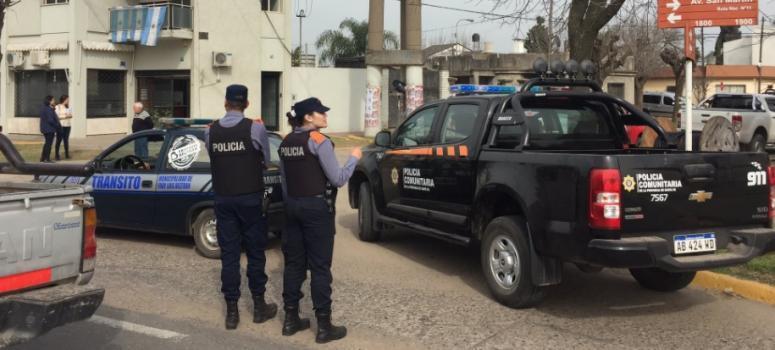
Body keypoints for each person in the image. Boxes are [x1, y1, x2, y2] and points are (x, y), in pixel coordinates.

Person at [278, 97, 362, 344]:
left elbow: (284, 181)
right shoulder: (319, 141)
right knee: (320, 267)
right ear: (308, 117)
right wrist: (354, 158)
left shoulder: (286, 142)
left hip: (292, 206)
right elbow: (337, 179)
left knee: (293, 264)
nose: (325, 116)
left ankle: (290, 320)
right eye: (320, 113)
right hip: (316, 209)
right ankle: (324, 327)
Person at [204, 85, 276, 330]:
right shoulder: (255, 128)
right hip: (250, 200)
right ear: (246, 104)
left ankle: (232, 313)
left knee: (229, 256)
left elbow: (213, 156)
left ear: (226, 103)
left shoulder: (210, 131)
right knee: (256, 253)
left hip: (224, 200)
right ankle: (258, 307)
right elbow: (266, 161)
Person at [39, 95, 61, 163]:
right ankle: (47, 158)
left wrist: (53, 109)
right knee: (49, 144)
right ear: (49, 101)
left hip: (45, 128)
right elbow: (50, 120)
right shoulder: (48, 109)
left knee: (47, 143)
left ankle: (43, 158)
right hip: (49, 129)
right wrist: (57, 125)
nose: (54, 101)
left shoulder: (45, 108)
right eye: (53, 100)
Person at [54, 95, 72, 160]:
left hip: (68, 126)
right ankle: (56, 155)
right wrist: (65, 116)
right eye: (67, 99)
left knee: (66, 140)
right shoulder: (57, 107)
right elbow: (56, 117)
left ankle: (67, 154)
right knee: (58, 140)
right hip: (60, 126)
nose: (68, 101)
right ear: (64, 99)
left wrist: (69, 115)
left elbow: (71, 115)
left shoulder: (68, 107)